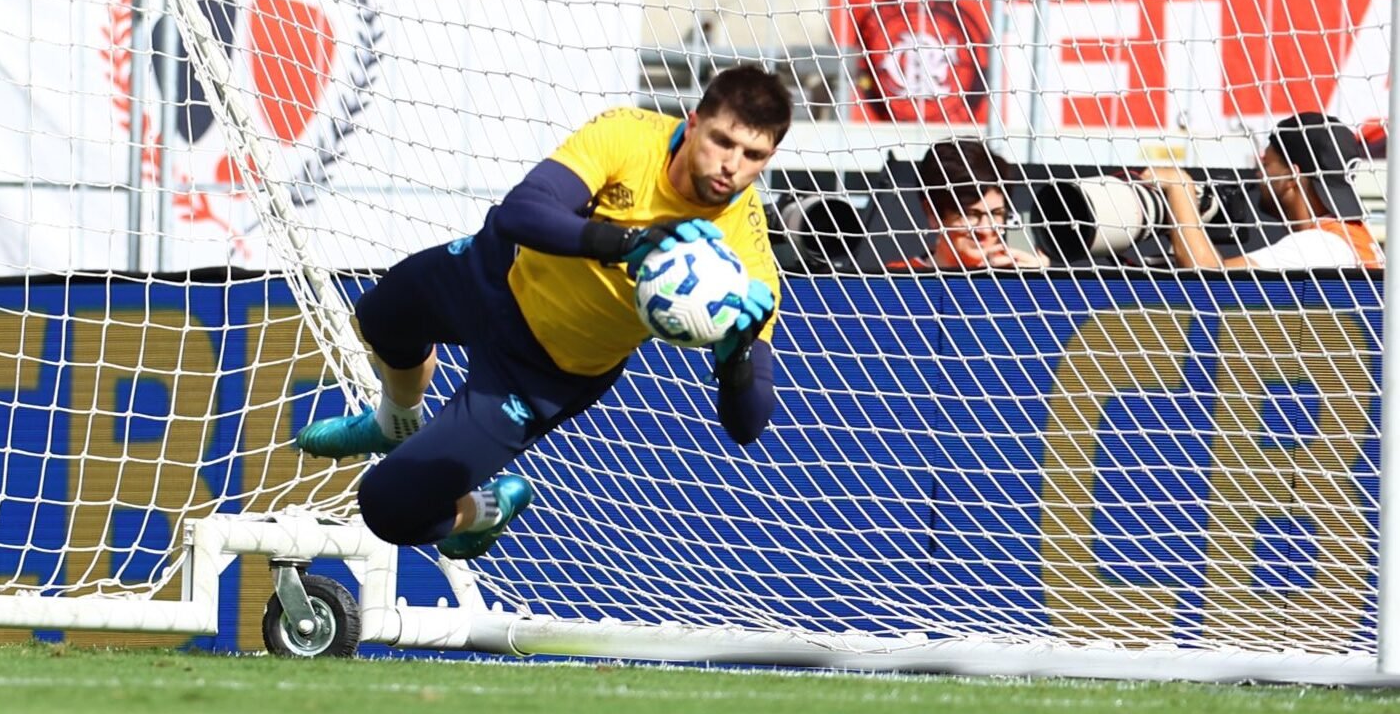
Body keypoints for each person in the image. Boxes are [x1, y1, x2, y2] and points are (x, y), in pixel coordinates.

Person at [293, 65, 791, 560]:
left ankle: (485, 509)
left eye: (753, 156)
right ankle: (395, 421)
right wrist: (627, 242)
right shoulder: (630, 133)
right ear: (693, 120)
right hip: (494, 275)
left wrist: (738, 355)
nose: (732, 165)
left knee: (389, 509)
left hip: (541, 372)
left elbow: (746, 426)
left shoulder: (744, 261)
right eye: (723, 141)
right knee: (382, 314)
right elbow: (521, 211)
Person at [1143, 111, 1382, 269]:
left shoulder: (1321, 245)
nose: (1259, 174)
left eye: (1266, 164)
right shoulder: (1351, 234)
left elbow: (1209, 279)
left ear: (1291, 176)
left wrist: (1179, 189)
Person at [890, 138, 1050, 270]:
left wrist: (1039, 285)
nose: (985, 229)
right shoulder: (894, 279)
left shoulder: (1018, 276)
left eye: (996, 213)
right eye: (970, 214)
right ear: (932, 213)